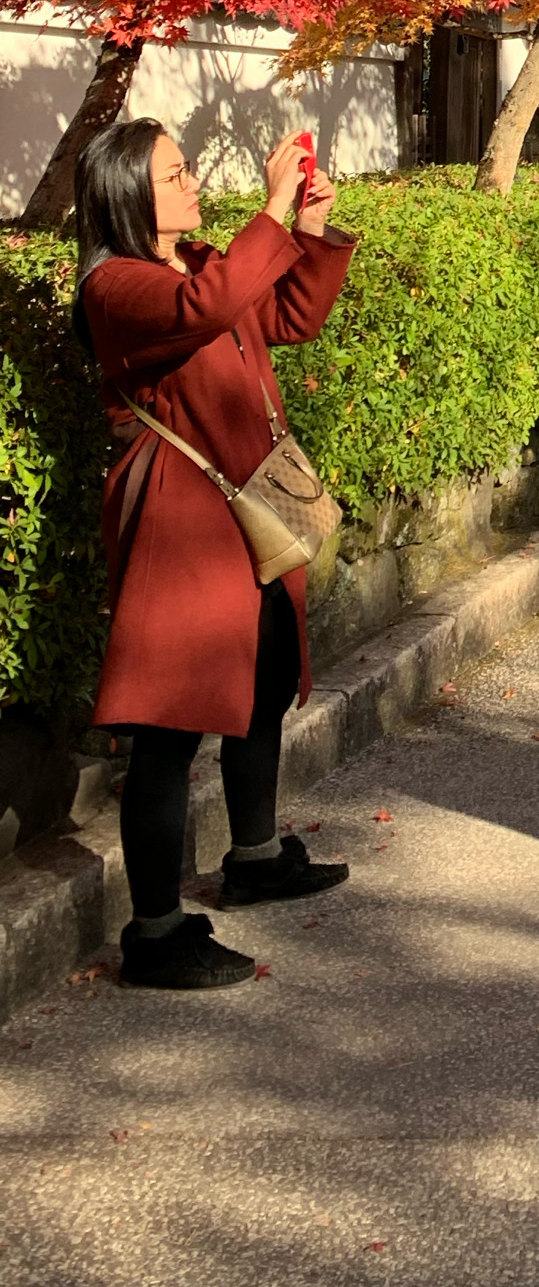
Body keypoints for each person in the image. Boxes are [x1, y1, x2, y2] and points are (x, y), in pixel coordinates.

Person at [79, 120, 357, 990]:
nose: (192, 182)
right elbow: (204, 312)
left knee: (266, 681)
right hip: (180, 518)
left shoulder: (196, 260)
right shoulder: (118, 284)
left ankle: (256, 854)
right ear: (128, 192)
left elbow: (287, 316)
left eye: (189, 168)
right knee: (168, 727)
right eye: (174, 174)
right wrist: (273, 208)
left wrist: (306, 228)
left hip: (245, 505)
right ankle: (155, 931)